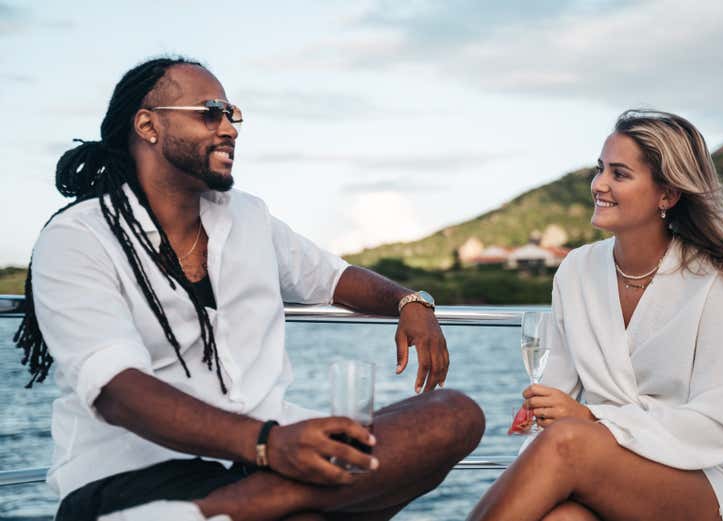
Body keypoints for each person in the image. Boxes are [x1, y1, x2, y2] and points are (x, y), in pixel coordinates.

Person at [15, 56, 485, 521]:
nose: (230, 129)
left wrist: (410, 302)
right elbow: (117, 390)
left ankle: (220, 513)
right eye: (210, 113)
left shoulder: (248, 217)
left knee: (454, 414)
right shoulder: (79, 237)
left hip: (260, 464)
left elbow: (333, 277)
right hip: (133, 472)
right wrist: (267, 443)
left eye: (232, 115)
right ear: (147, 125)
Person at [467, 110, 723, 521]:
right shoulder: (575, 270)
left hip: (702, 479)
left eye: (620, 174)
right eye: (600, 169)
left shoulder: (713, 280)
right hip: (601, 467)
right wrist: (541, 410)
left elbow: (719, 422)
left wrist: (595, 418)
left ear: (667, 194)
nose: (599, 184)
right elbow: (557, 392)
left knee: (570, 441)